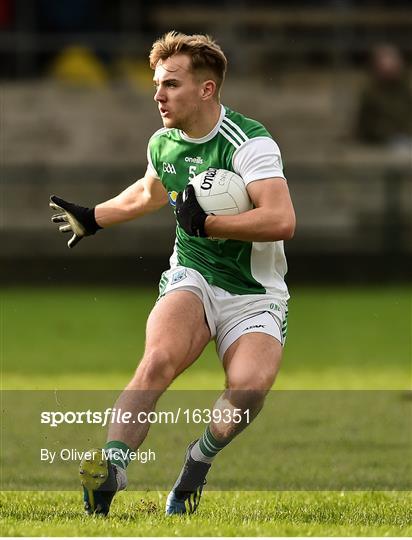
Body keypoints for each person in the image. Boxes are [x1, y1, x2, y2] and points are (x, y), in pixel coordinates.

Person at [50, 31, 296, 516]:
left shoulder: (250, 144)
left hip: (255, 294)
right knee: (157, 360)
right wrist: (93, 216)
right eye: (158, 84)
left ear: (206, 89)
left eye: (172, 84)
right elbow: (148, 193)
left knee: (246, 393)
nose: (158, 95)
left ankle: (194, 467)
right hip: (193, 275)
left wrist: (208, 222)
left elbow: (281, 220)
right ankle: (110, 471)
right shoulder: (164, 143)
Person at [355, 44, 412, 147]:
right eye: (383, 63)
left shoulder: (407, 89)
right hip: (383, 141)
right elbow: (366, 124)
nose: (388, 68)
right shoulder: (370, 93)